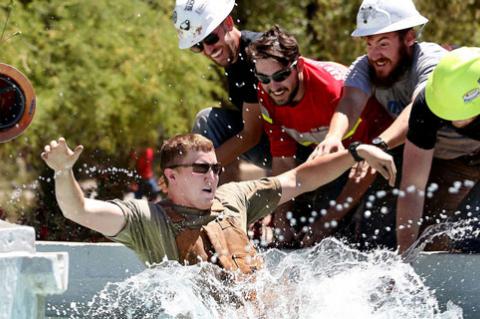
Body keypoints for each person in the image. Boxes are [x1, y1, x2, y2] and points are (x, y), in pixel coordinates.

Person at [41, 134, 395, 273]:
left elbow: (299, 179)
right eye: (200, 168)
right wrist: (62, 172)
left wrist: (355, 152)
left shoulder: (233, 197)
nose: (212, 175)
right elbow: (79, 211)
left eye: (214, 167)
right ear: (171, 177)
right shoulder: (147, 219)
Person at [311, 0, 451, 249]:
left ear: (408, 38)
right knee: (376, 233)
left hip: (460, 159)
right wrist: (333, 137)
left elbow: (418, 110)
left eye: (383, 43)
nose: (375, 55)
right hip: (409, 156)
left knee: (449, 236)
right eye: (369, 44)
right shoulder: (365, 66)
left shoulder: (431, 60)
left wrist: (378, 145)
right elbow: (350, 102)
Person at [246, 25, 393, 246]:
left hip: (374, 151)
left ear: (300, 66)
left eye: (281, 76)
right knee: (291, 231)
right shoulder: (265, 91)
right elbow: (283, 160)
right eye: (264, 78)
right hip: (318, 147)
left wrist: (326, 223)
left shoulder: (332, 93)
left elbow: (362, 171)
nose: (273, 86)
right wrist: (281, 221)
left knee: (329, 234)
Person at [173, 0, 270, 181]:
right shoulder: (233, 57)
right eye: (198, 46)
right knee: (209, 120)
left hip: (303, 145)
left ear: (228, 23)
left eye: (211, 38)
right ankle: (219, 204)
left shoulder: (257, 54)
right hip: (275, 142)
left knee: (211, 123)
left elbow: (251, 135)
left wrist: (194, 171)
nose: (209, 50)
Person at [396, 47, 480, 252]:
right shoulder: (428, 103)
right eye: (448, 112)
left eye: (462, 114)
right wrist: (405, 256)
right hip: (466, 160)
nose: (455, 121)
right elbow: (412, 187)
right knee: (434, 236)